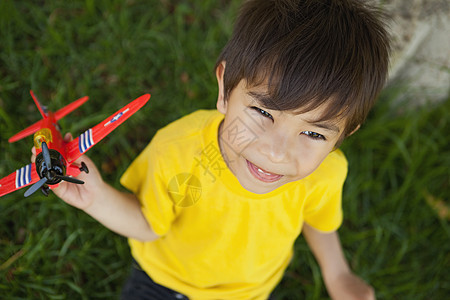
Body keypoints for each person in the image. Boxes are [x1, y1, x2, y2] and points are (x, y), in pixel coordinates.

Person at [34, 0, 391, 299]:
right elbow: (148, 224)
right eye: (263, 112)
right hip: (164, 281)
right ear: (224, 88)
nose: (276, 152)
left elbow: (319, 219)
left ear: (344, 135)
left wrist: (338, 274)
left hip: (247, 292)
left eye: (314, 134)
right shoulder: (182, 154)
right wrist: (94, 197)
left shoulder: (326, 173)